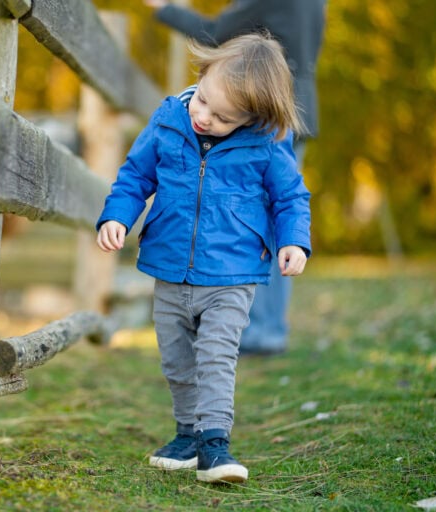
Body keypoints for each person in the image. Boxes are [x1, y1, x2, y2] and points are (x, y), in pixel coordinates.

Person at [96, 34, 311, 483]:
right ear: (202, 75)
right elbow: (136, 175)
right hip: (171, 267)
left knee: (215, 355)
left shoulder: (267, 142)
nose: (205, 117)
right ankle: (187, 436)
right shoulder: (170, 118)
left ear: (253, 118)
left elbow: (290, 196)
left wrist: (294, 241)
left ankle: (215, 443)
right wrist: (117, 216)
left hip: (231, 274)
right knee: (176, 359)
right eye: (205, 102)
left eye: (222, 117)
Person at [144, 0, 326, 355]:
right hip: (291, 106)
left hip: (259, 114)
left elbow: (215, 36)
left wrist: (165, 7)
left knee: (249, 216)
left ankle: (257, 327)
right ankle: (263, 326)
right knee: (273, 216)